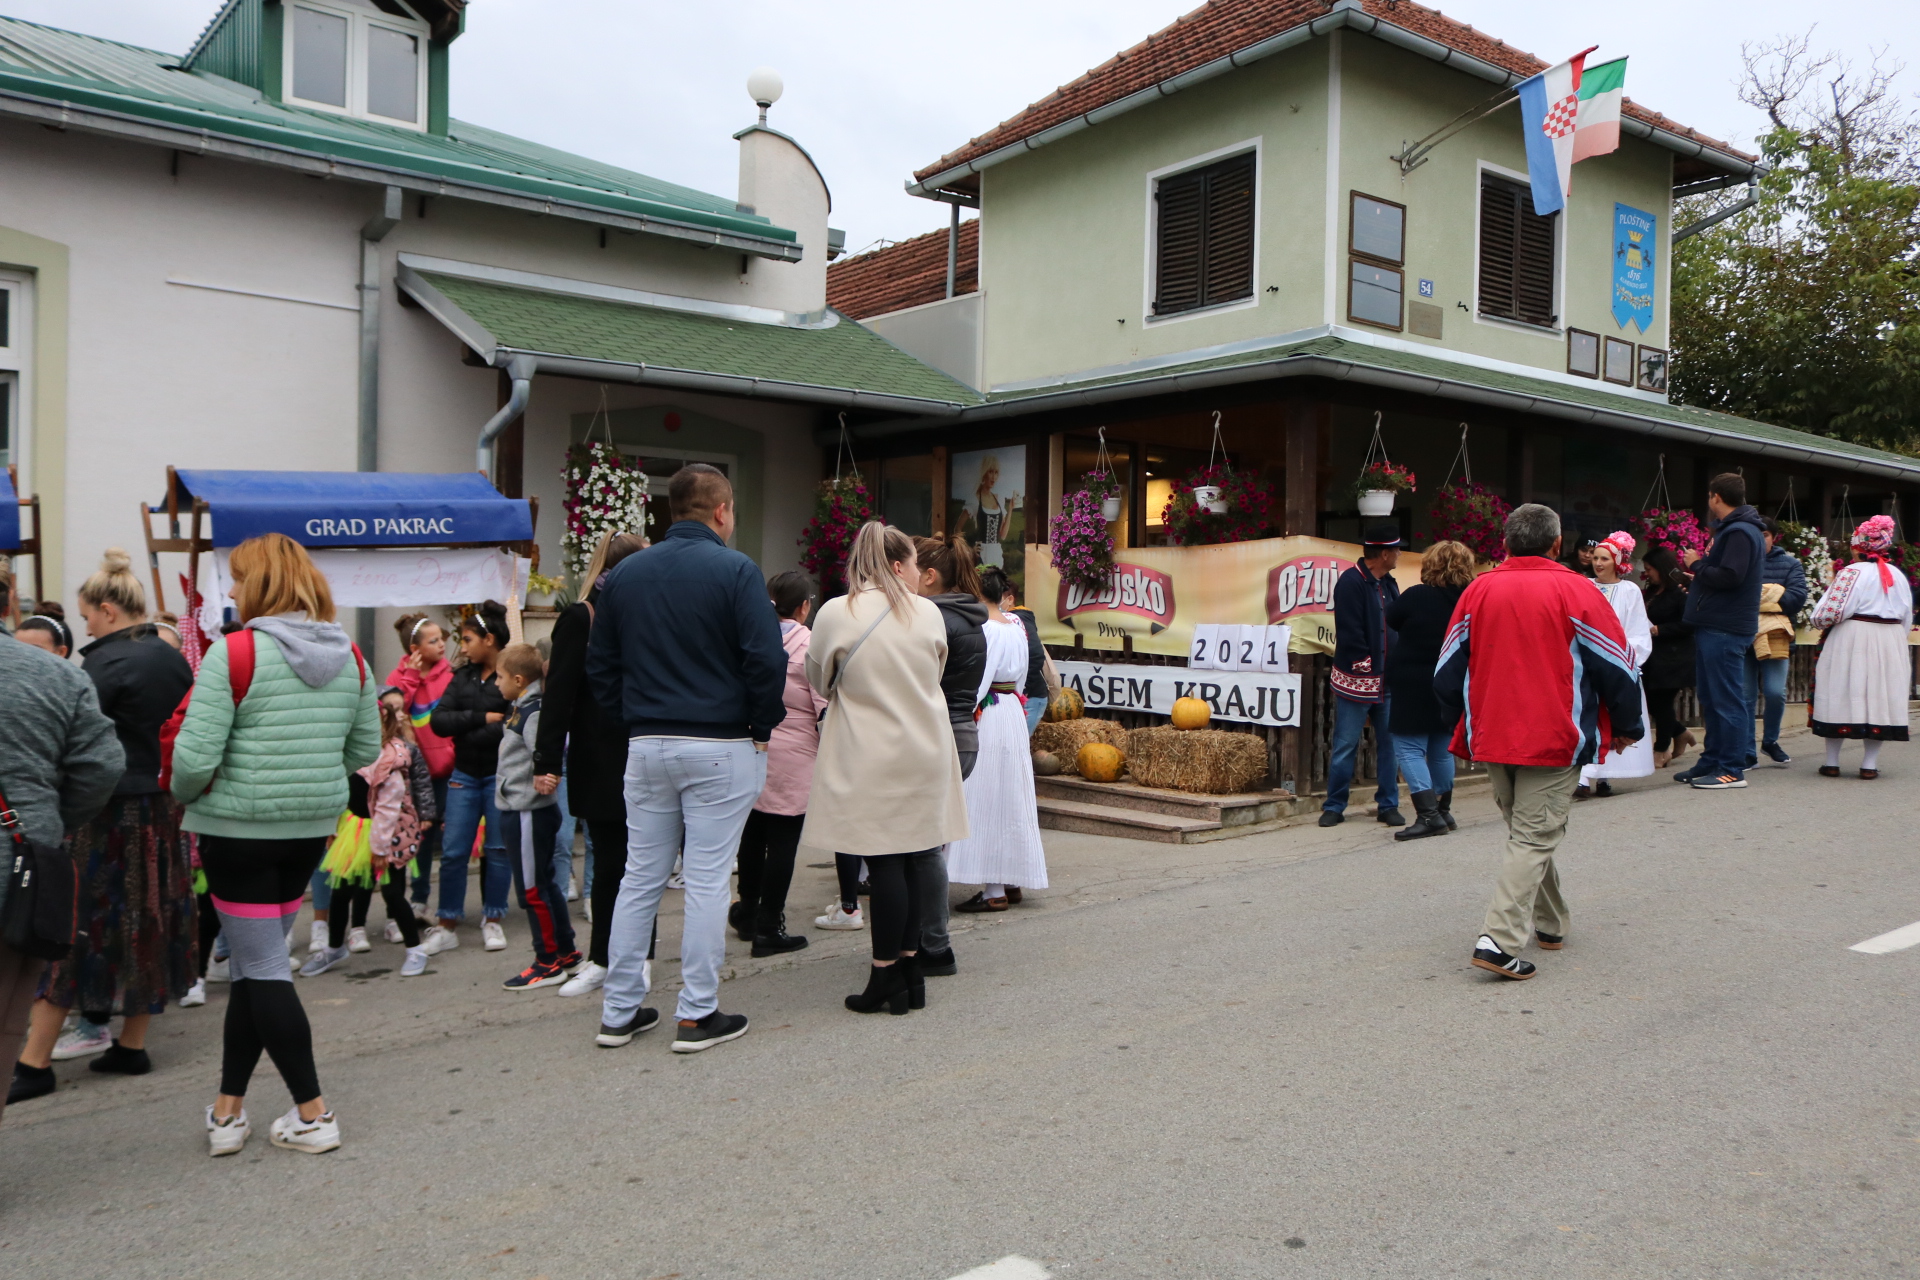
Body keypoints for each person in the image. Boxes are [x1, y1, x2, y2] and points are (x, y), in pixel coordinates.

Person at [168, 532, 378, 1156]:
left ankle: (313, 1114)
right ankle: (228, 1111)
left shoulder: (233, 653)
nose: (229, 590)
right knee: (259, 968)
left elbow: (193, 759)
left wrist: (187, 792)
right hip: (310, 830)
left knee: (261, 969)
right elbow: (363, 750)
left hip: (238, 831)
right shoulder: (353, 657)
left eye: (236, 578)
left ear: (260, 585)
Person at [586, 464, 787, 1053]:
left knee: (638, 878)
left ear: (670, 511)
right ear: (722, 510)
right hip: (720, 741)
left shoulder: (624, 575)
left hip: (648, 740)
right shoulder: (735, 569)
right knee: (704, 880)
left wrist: (635, 717)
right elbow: (765, 658)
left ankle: (620, 1010)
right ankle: (696, 1014)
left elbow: (602, 666)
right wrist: (760, 725)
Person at [10, 550, 195, 1101]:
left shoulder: (105, 665)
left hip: (109, 812)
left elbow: (85, 753)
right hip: (163, 809)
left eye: (88, 614)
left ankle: (35, 1061)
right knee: (150, 919)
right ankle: (130, 1046)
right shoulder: (172, 659)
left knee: (72, 924)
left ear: (109, 610)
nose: (84, 623)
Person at [1434, 505, 1643, 981]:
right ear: (1556, 544)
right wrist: (1628, 725)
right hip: (1554, 734)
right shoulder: (1577, 589)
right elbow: (1617, 666)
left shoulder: (1477, 590)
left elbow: (1446, 672)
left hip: (1492, 733)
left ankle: (1550, 923)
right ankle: (1499, 941)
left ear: (1506, 544)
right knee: (1533, 835)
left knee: (1527, 833)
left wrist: (1466, 718)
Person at [803, 522, 969, 1015]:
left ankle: (884, 975)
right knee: (919, 858)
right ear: (898, 565)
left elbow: (819, 677)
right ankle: (912, 969)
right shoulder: (927, 614)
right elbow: (934, 671)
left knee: (885, 863)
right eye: (916, 564)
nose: (921, 573)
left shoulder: (837, 611)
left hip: (868, 750)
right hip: (926, 747)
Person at [1, 584, 124, 1125]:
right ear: (8, 603)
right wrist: (49, 820)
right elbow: (101, 766)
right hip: (19, 863)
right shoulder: (57, 674)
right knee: (6, 1017)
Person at [534, 531, 647, 998]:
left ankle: (636, 958)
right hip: (600, 757)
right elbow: (557, 694)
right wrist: (547, 759)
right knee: (610, 864)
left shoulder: (649, 615)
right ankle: (603, 957)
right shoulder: (581, 617)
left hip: (643, 751)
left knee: (640, 864)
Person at [301, 695, 435, 979]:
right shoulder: (349, 753)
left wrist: (379, 848)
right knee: (341, 891)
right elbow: (340, 794)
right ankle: (335, 947)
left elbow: (388, 808)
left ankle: (415, 949)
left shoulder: (390, 759)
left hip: (389, 833)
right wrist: (333, 829)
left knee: (392, 893)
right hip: (355, 829)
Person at [946, 563, 1050, 919]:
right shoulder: (1017, 625)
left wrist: (964, 712)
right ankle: (1011, 880)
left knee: (987, 794)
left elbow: (979, 680)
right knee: (1011, 793)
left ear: (978, 593)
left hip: (988, 711)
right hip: (1011, 711)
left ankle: (993, 889)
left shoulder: (985, 629)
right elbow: (1023, 675)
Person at [732, 570, 828, 957]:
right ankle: (771, 926)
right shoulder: (810, 645)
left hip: (752, 745)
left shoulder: (750, 638)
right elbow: (823, 705)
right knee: (783, 841)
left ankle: (748, 912)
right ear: (805, 607)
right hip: (796, 752)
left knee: (752, 833)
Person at [906, 536, 987, 956]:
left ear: (930, 576)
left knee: (921, 848)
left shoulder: (932, 619)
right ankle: (927, 937)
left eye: (907, 568)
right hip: (963, 736)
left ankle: (932, 943)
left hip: (938, 736)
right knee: (928, 843)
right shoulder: (970, 617)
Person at [424, 602, 514, 954]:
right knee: (454, 851)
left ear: (488, 640)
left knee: (497, 849)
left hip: (497, 776)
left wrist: (471, 726)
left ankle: (492, 919)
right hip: (463, 775)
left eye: (466, 639)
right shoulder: (461, 676)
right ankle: (447, 922)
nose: (461, 647)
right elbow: (438, 721)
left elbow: (511, 727)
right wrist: (481, 718)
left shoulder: (511, 675)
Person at [490, 642, 579, 990]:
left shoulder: (532, 713)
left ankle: (547, 961)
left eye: (499, 677)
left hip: (527, 811)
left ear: (517, 678)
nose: (495, 683)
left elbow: (545, 749)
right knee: (543, 885)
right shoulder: (521, 707)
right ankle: (567, 953)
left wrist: (548, 774)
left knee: (532, 890)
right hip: (522, 809)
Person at [1808, 514, 1914, 779]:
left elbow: (1829, 612)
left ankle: (1832, 762)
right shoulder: (1898, 576)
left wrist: (1818, 622)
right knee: (1879, 696)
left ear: (1858, 546)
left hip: (1852, 637)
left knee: (1839, 691)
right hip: (1889, 640)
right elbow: (1906, 616)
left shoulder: (1850, 573)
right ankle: (1868, 764)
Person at [1382, 539, 1474, 841]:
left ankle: (1428, 815)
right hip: (1451, 681)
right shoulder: (1470, 598)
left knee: (1408, 748)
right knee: (1440, 748)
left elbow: (1391, 618)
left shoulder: (1417, 595)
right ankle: (1444, 810)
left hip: (1412, 681)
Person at [1679, 474, 1766, 790]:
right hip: (1717, 624)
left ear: (1716, 497)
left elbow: (1731, 576)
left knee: (1727, 700)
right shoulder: (1738, 530)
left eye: (1709, 496)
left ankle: (1731, 768)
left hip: (1725, 627)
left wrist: (1697, 564)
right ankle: (1712, 760)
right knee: (1712, 697)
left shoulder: (1740, 532)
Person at [1322, 523, 1404, 827]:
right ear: (1384, 553)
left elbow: (1395, 624)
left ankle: (1388, 805)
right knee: (1346, 744)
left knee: (1390, 744)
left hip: (1388, 680)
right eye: (1395, 549)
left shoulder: (1389, 583)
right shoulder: (1350, 583)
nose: (1398, 554)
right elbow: (1349, 629)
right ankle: (1334, 805)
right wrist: (1363, 663)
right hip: (1357, 681)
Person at [1575, 532, 1655, 799]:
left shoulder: (1629, 591)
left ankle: (1605, 775)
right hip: (1588, 664)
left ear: (1617, 562)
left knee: (1613, 717)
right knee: (1589, 716)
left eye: (1604, 558)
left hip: (1617, 662)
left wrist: (1625, 659)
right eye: (1595, 557)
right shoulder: (1584, 586)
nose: (1598, 563)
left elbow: (1637, 630)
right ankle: (1584, 776)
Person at [387, 612, 454, 925]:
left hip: (449, 769)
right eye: (433, 641)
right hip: (414, 773)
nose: (442, 645)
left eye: (441, 639)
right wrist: (411, 678)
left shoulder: (449, 674)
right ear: (414, 649)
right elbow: (393, 712)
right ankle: (418, 899)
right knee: (421, 837)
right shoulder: (397, 679)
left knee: (451, 836)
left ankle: (450, 906)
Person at [1748, 518, 1809, 767]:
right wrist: (1773, 593)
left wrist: (1757, 599)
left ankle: (1770, 741)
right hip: (1743, 635)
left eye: (1764, 535)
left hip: (1776, 636)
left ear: (1774, 537)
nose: (1760, 539)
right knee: (1745, 695)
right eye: (1755, 535)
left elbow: (1796, 598)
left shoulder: (1790, 564)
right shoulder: (1739, 562)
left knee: (1775, 692)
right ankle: (1746, 748)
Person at [1639, 548, 1697, 770]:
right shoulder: (1653, 591)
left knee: (1662, 703)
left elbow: (1689, 624)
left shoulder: (1680, 592)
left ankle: (1661, 749)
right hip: (1654, 657)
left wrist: (1659, 630)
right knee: (1652, 702)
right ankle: (1680, 733)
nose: (1647, 575)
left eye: (1650, 570)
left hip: (1675, 657)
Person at [1004, 583, 1051, 735]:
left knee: (1018, 744)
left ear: (1010, 599)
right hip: (1018, 696)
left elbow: (1036, 655)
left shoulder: (1020, 619)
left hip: (1031, 696)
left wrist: (1023, 688)